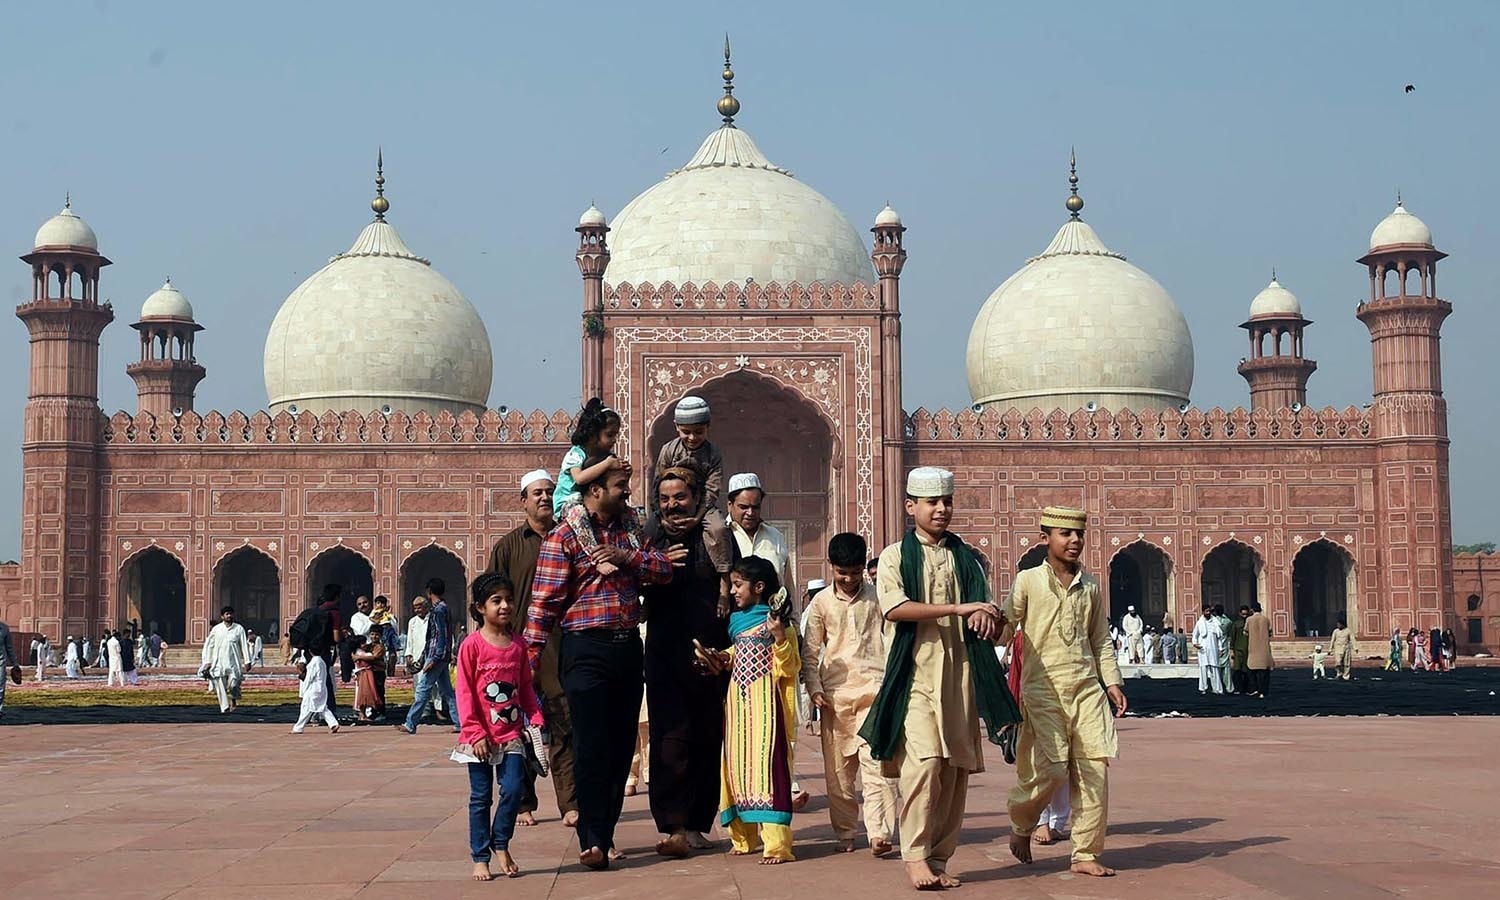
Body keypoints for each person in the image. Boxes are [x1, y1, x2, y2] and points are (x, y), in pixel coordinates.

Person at [860, 467, 1018, 890]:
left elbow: (990, 620)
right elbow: (895, 609)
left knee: (954, 771)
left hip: (960, 676)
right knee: (925, 764)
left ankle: (939, 855)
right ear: (910, 506)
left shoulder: (964, 559)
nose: (941, 510)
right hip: (915, 674)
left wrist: (988, 615)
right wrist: (959, 609)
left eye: (946, 502)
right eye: (932, 502)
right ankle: (913, 854)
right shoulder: (894, 556)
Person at [523, 456, 683, 871]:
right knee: (591, 745)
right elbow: (542, 607)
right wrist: (526, 662)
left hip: (626, 647)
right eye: (619, 486)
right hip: (585, 650)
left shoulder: (631, 531)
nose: (627, 493)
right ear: (594, 490)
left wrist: (625, 557)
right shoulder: (565, 539)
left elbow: (665, 569)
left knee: (617, 748)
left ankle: (604, 835)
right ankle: (591, 838)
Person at [1003, 506, 1127, 879]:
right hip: (1043, 688)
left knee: (1094, 771)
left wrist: (1112, 681)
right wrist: (991, 625)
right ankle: (1023, 822)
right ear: (1046, 539)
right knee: (1052, 767)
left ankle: (1085, 852)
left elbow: (1100, 639)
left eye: (1078, 535)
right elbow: (1008, 624)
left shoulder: (1089, 586)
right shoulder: (1027, 581)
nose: (1074, 541)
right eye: (1065, 534)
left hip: (1086, 688)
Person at [640, 464, 731, 857]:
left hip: (709, 654)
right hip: (664, 652)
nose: (673, 505)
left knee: (708, 738)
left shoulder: (716, 539)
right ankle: (672, 823)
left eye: (680, 497)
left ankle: (697, 823)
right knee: (669, 739)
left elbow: (738, 588)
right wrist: (654, 566)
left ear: (696, 498)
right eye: (664, 499)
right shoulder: (651, 537)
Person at [687, 555, 798, 865]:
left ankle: (776, 845)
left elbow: (789, 666)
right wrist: (720, 657)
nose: (733, 591)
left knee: (767, 771)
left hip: (766, 706)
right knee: (736, 769)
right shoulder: (737, 621)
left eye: (738, 585)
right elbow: (740, 652)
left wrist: (778, 637)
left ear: (759, 587)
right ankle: (744, 838)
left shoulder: (777, 622)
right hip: (737, 705)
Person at [486, 468, 578, 829]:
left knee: (563, 724)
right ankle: (522, 801)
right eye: (536, 493)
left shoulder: (568, 539)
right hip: (516, 649)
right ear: (522, 500)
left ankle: (570, 803)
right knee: (514, 727)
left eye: (548, 492)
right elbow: (491, 598)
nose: (543, 498)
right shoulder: (509, 546)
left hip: (560, 647)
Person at [801, 532, 898, 856]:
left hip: (874, 691)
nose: (849, 579)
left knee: (877, 768)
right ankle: (845, 831)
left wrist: (892, 685)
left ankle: (879, 833)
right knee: (840, 775)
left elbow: (892, 639)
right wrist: (814, 688)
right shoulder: (821, 603)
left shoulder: (879, 597)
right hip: (836, 697)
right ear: (832, 568)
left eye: (855, 573)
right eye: (843, 573)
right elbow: (811, 652)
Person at [725, 471, 807, 809]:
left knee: (780, 709)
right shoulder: (719, 535)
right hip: (735, 629)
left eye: (755, 506)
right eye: (743, 506)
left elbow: (784, 581)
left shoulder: (774, 536)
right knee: (738, 719)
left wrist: (793, 622)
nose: (750, 513)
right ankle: (739, 789)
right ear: (729, 505)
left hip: (772, 630)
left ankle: (785, 779)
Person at [455, 572, 544, 882]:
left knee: (514, 789)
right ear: (480, 607)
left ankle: (501, 842)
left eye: (508, 599)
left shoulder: (518, 645)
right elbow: (464, 693)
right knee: (481, 798)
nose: (505, 606)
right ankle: (480, 856)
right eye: (496, 601)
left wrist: (535, 716)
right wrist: (475, 732)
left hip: (511, 735)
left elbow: (525, 687)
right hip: (478, 737)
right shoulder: (471, 646)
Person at [654, 395, 731, 607]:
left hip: (702, 506)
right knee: (649, 532)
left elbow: (712, 488)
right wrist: (661, 517)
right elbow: (658, 482)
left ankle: (725, 585)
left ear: (708, 427)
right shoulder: (669, 450)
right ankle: (647, 598)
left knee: (718, 530)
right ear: (677, 427)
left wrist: (697, 517)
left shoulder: (712, 453)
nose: (692, 437)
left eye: (698, 432)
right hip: (671, 505)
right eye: (686, 432)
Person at [396, 578, 459, 735]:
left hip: (436, 656)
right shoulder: (444, 608)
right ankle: (460, 722)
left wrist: (434, 658)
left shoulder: (438, 611)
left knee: (422, 689)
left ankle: (410, 723)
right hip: (440, 656)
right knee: (448, 692)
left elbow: (440, 636)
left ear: (429, 592)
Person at [200, 606, 251, 713]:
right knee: (220, 686)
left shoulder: (239, 629)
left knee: (233, 684)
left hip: (233, 662)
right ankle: (225, 707)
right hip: (218, 662)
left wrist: (247, 661)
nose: (229, 616)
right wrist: (207, 662)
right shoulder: (216, 629)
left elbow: (244, 645)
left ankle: (234, 698)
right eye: (227, 614)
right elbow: (210, 645)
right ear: (222, 616)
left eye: (231, 614)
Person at [290, 649, 340, 734]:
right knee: (322, 707)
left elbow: (309, 678)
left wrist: (304, 688)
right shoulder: (322, 662)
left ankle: (298, 727)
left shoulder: (314, 663)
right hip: (321, 688)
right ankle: (333, 723)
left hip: (313, 689)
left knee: (306, 708)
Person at [352, 631, 385, 722]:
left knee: (377, 692)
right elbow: (369, 657)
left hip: (377, 672)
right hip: (365, 674)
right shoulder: (364, 649)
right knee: (365, 694)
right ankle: (366, 713)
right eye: (372, 634)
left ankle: (379, 712)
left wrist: (359, 657)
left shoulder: (379, 647)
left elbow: (373, 657)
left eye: (377, 634)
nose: (374, 636)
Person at [1191, 606, 1225, 694]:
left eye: (1209, 611)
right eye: (1206, 611)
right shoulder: (1199, 623)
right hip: (1203, 649)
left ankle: (1217, 689)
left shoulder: (1215, 622)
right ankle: (1203, 688)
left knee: (1215, 668)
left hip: (1213, 648)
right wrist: (1195, 644)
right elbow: (1195, 635)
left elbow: (1219, 638)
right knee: (1203, 669)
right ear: (1203, 612)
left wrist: (1221, 649)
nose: (1208, 613)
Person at [1245, 603, 1272, 697]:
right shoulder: (1266, 619)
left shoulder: (1249, 619)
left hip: (1253, 648)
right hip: (1264, 648)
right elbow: (1270, 632)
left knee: (1252, 671)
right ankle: (1263, 691)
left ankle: (1254, 689)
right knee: (1264, 673)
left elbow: (1245, 631)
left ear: (1252, 610)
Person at [0, 618, 21, 720]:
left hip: (0, 662)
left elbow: (9, 648)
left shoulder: (4, 629)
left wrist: (15, 663)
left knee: (0, 687)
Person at [1229, 605, 1251, 694]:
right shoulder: (1236, 624)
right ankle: (1238, 688)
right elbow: (1232, 637)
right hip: (1238, 650)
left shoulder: (1250, 623)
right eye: (1243, 614)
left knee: (1246, 671)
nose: (1244, 616)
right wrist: (1231, 650)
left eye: (1246, 614)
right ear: (1240, 613)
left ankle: (1246, 689)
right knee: (1237, 671)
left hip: (1248, 650)